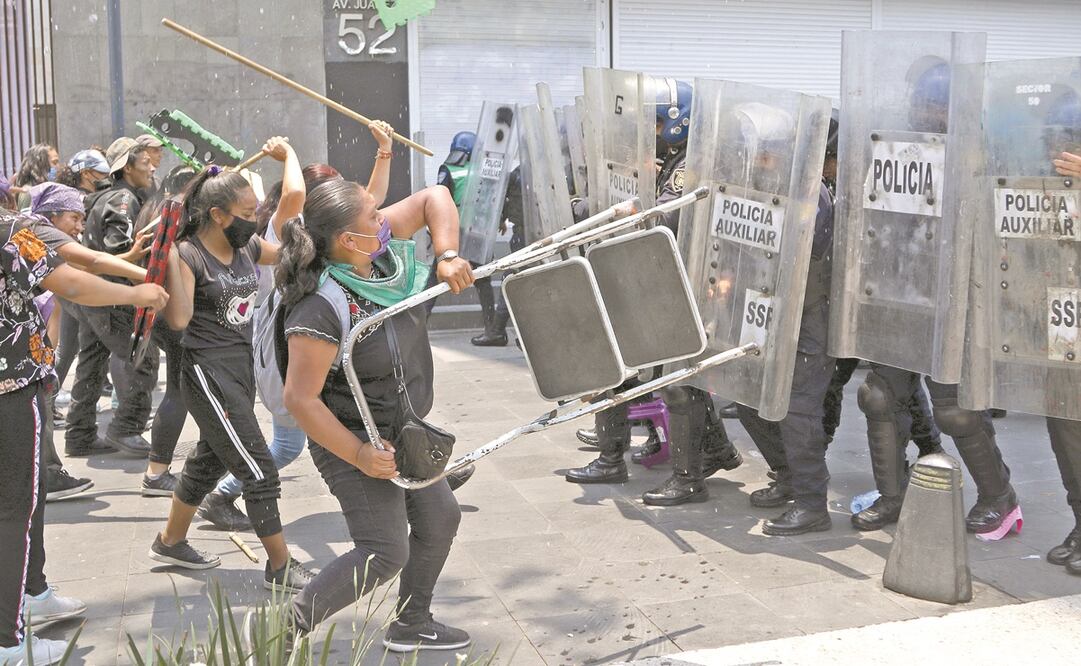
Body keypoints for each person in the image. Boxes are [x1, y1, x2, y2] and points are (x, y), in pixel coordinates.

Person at [277, 177, 475, 652]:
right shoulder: (319, 307)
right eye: (373, 216)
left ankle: (411, 623)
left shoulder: (380, 258)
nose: (384, 219)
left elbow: (434, 197)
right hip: (348, 438)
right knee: (385, 550)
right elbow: (300, 400)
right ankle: (282, 628)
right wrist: (360, 455)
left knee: (440, 518)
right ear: (347, 239)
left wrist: (447, 254)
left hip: (402, 429)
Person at [850, 61, 1018, 535]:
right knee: (879, 396)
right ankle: (893, 496)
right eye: (922, 102)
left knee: (955, 408)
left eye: (936, 104)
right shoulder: (898, 149)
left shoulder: (986, 155)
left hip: (958, 299)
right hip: (901, 288)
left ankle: (998, 495)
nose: (927, 112)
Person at [0, 210, 167, 666]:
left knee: (26, 500)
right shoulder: (10, 232)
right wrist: (138, 291)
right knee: (15, 507)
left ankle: (30, 593)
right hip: (9, 391)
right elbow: (70, 280)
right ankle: (7, 641)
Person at [566, 80, 743, 507]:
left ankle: (687, 479)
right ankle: (714, 450)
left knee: (678, 383)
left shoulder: (689, 164)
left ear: (680, 121)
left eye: (659, 122)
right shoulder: (671, 158)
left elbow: (663, 215)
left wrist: (601, 211)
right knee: (672, 378)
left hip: (687, 285)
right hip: (662, 280)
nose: (654, 130)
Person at [149, 165, 313, 594]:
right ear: (218, 214)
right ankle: (280, 567)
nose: (253, 218)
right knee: (258, 469)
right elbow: (180, 319)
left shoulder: (248, 246)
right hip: (205, 374)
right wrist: (166, 260)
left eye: (255, 209)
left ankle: (170, 541)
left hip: (239, 372)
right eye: (246, 211)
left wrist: (321, 244)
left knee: (209, 461)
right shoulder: (188, 255)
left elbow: (289, 257)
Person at [734, 110, 838, 535]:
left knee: (798, 409)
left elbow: (797, 252)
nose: (756, 160)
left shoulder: (813, 195)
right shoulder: (765, 187)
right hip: (769, 310)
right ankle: (789, 475)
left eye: (763, 154)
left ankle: (813, 503)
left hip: (810, 316)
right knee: (744, 396)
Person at [26, 182, 151, 500]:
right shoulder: (37, 230)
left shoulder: (37, 234)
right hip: (20, 342)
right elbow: (90, 265)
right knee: (37, 402)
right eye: (73, 218)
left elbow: (84, 263)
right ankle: (49, 475)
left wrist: (131, 257)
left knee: (52, 388)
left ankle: (65, 452)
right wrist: (141, 284)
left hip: (30, 338)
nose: (79, 227)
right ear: (51, 215)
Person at [64, 137, 157, 458]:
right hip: (112, 299)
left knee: (90, 365)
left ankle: (79, 436)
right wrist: (138, 260)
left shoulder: (101, 196)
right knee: (143, 359)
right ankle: (126, 428)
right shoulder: (122, 200)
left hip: (92, 297)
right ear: (127, 168)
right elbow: (117, 250)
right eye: (146, 162)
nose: (153, 167)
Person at [12, 143, 59, 210]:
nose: (58, 167)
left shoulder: (49, 189)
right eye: (54, 162)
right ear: (40, 165)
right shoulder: (28, 193)